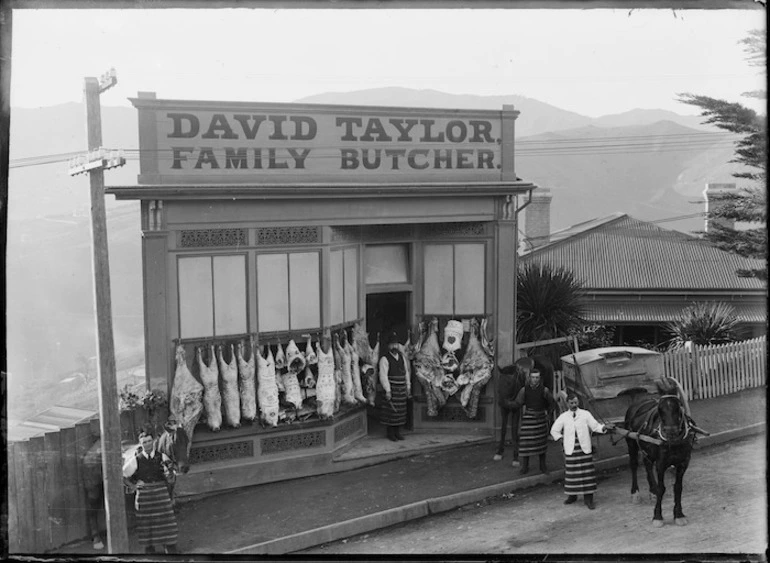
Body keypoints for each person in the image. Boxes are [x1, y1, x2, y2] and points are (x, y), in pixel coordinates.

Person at [550, 392, 614, 510]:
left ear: (578, 402)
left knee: (587, 474)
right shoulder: (564, 417)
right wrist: (561, 438)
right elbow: (554, 430)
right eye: (571, 403)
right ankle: (572, 496)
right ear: (567, 404)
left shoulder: (585, 414)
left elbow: (595, 426)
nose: (574, 405)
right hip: (571, 449)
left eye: (576, 402)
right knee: (572, 473)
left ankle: (588, 499)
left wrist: (604, 427)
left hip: (584, 448)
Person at [123, 430, 179, 554]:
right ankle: (149, 549)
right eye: (144, 442)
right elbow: (123, 475)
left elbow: (170, 475)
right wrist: (133, 485)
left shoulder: (162, 457)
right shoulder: (136, 460)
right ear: (140, 444)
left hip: (161, 495)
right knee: (145, 523)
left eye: (149, 441)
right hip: (144, 497)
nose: (147, 444)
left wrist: (170, 474)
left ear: (153, 442)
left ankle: (169, 546)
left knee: (166, 521)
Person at [506, 369, 558, 474]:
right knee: (526, 443)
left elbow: (552, 403)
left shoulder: (545, 390)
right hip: (528, 418)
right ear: (529, 378)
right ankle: (525, 467)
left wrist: (549, 414)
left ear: (540, 378)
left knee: (541, 444)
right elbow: (518, 402)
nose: (535, 380)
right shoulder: (524, 390)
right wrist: (508, 404)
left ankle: (543, 467)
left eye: (537, 377)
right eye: (533, 377)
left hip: (540, 418)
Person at [378, 331, 411, 441]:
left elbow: (406, 372)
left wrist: (408, 386)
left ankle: (398, 432)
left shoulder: (402, 357)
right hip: (392, 388)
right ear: (388, 346)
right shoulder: (384, 359)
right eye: (392, 344)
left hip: (401, 388)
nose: (394, 346)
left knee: (400, 412)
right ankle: (390, 433)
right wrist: (387, 390)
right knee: (391, 412)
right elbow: (383, 375)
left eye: (396, 344)